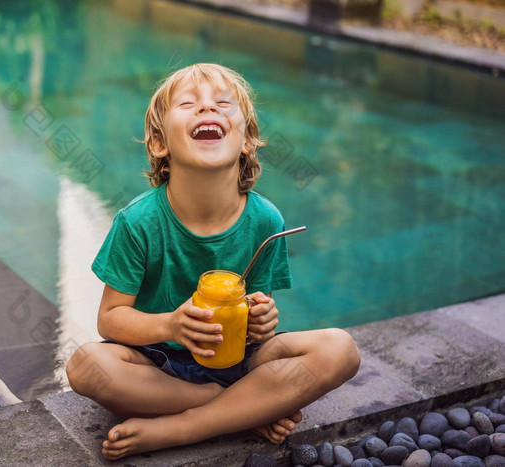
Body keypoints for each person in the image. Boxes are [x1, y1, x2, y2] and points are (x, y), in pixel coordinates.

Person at [66, 63, 361, 461]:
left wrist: (261, 320)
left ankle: (183, 426)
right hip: (160, 366)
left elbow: (258, 327)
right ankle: (239, 409)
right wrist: (170, 324)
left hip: (239, 360)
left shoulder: (265, 221)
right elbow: (111, 318)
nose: (208, 109)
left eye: (223, 104)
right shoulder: (138, 223)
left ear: (247, 140)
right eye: (189, 103)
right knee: (86, 365)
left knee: (340, 350)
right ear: (159, 142)